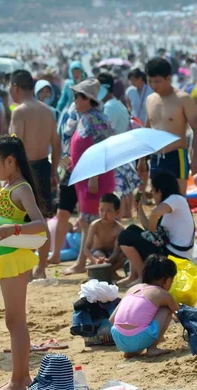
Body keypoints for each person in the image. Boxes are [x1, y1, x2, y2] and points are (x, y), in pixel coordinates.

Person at [0, 135, 47, 390]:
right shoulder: (8, 185)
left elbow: (41, 224)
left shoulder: (21, 188)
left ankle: (18, 381)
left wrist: (15, 227)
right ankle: (23, 376)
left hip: (14, 258)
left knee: (15, 321)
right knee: (16, 321)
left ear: (10, 161)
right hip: (6, 257)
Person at [9, 70, 60, 279]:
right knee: (42, 219)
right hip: (44, 166)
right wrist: (54, 170)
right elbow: (56, 144)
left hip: (24, 169)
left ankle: (28, 268)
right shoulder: (48, 111)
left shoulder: (19, 111)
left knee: (25, 220)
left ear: (16, 88)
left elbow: (14, 145)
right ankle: (42, 268)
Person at [64, 78, 116, 275]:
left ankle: (82, 262)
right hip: (85, 178)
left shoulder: (95, 118)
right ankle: (84, 260)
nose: (75, 100)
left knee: (90, 221)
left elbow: (102, 149)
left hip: (94, 178)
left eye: (78, 96)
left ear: (87, 99)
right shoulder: (85, 117)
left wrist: (94, 176)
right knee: (86, 221)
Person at [118, 171, 194, 287]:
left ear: (160, 190)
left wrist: (151, 236)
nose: (152, 194)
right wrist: (139, 209)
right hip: (168, 250)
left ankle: (142, 277)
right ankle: (133, 275)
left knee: (125, 237)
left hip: (175, 256)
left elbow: (154, 216)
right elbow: (150, 227)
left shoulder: (175, 199)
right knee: (132, 229)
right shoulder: (169, 205)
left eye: (153, 190)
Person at [139, 58, 197, 195]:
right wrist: (142, 159)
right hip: (156, 157)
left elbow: (196, 128)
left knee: (178, 200)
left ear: (169, 78)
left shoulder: (183, 99)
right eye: (150, 81)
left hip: (177, 156)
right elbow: (147, 130)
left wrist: (195, 158)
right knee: (159, 200)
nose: (153, 85)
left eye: (157, 81)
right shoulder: (150, 100)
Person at [109, 254, 178, 358]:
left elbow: (112, 319)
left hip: (118, 338)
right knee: (165, 310)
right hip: (139, 338)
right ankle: (152, 348)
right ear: (167, 280)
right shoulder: (164, 294)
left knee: (148, 312)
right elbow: (179, 315)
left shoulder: (132, 289)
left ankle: (131, 352)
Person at [98, 72, 141, 219]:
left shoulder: (109, 107)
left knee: (119, 191)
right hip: (123, 151)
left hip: (115, 152)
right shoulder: (118, 103)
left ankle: (122, 218)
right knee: (126, 190)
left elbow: (105, 133)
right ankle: (127, 216)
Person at [83, 193, 125, 267]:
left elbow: (116, 252)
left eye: (108, 211)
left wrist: (108, 260)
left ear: (117, 213)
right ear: (98, 209)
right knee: (99, 254)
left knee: (125, 254)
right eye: (101, 210)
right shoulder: (95, 225)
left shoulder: (119, 229)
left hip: (112, 255)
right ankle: (101, 267)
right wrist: (94, 260)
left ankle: (112, 271)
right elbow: (86, 248)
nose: (104, 214)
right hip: (97, 253)